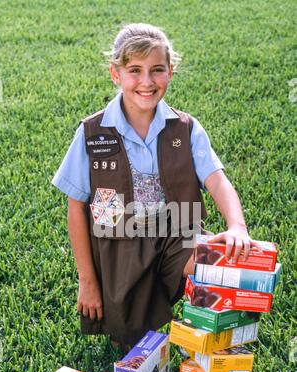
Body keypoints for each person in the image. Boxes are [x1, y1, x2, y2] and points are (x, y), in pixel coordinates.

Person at [52, 23, 259, 349]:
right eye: (134, 70)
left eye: (157, 70)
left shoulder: (186, 128)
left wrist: (237, 226)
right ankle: (136, 320)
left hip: (178, 234)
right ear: (115, 73)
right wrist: (88, 281)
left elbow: (217, 181)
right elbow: (76, 206)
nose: (146, 82)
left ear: (170, 72)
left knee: (218, 265)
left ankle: (214, 340)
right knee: (131, 342)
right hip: (122, 246)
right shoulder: (93, 133)